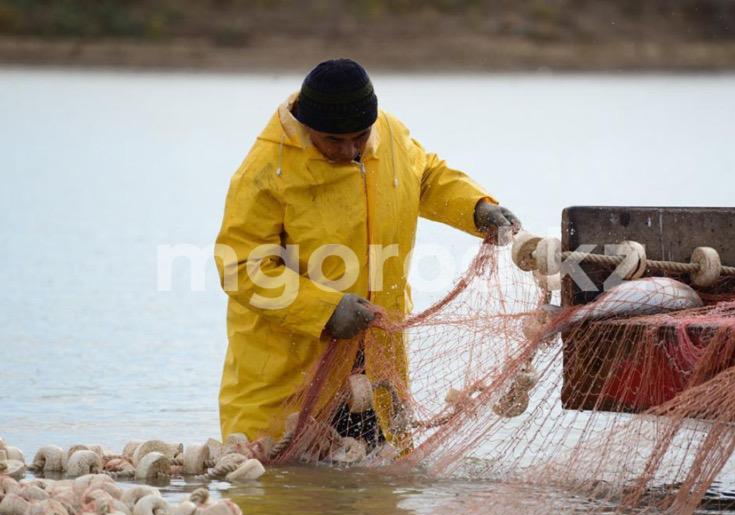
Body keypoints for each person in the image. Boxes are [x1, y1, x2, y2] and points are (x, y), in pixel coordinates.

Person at [214, 58, 521, 449]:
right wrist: (326, 309)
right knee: (281, 492)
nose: (350, 150)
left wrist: (476, 208)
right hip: (291, 367)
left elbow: (424, 176)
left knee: (379, 489)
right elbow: (241, 267)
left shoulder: (389, 134)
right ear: (307, 128)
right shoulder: (264, 171)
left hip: (376, 359)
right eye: (334, 141)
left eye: (359, 137)